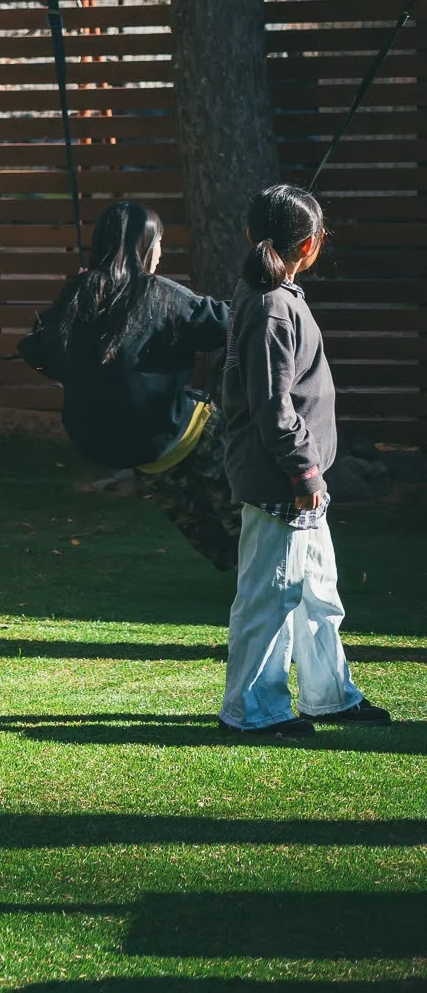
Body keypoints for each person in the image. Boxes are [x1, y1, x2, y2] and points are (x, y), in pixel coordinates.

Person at [216, 183, 391, 739]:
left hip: (297, 480)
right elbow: (273, 405)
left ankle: (328, 695)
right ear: (311, 246)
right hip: (282, 480)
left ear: (250, 235)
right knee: (270, 596)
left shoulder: (278, 298)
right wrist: (304, 469)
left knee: (318, 592)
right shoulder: (271, 307)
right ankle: (253, 711)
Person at [18, 201, 240, 569]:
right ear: (146, 247)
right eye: (159, 245)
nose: (161, 255)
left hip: (111, 446)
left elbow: (33, 348)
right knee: (245, 508)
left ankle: (229, 558)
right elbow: (228, 324)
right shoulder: (161, 295)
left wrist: (78, 374)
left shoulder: (75, 298)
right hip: (173, 433)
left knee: (208, 531)